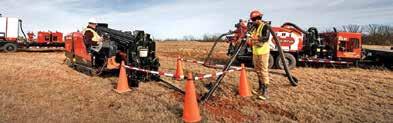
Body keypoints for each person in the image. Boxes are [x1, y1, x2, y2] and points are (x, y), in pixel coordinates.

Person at [249, 10, 270, 100]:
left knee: (263, 71)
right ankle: (260, 88)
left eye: (254, 19)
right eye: (252, 20)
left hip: (263, 52)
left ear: (258, 19)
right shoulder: (254, 27)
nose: (253, 21)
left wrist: (255, 38)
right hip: (255, 52)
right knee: (257, 70)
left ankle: (265, 92)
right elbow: (250, 36)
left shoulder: (265, 26)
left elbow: (266, 37)